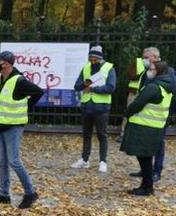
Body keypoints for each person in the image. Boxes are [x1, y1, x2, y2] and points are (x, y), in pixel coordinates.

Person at [0, 51, 43, 209]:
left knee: (14, 161)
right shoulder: (1, 77)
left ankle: (30, 193)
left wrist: (27, 107)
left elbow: (39, 92)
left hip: (13, 126)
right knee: (2, 162)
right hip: (0, 125)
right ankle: (4, 194)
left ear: (5, 63)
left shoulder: (19, 81)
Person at [121, 61, 172, 196]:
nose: (150, 71)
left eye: (153, 69)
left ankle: (147, 187)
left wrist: (127, 112)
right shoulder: (167, 87)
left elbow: (137, 103)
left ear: (159, 72)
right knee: (146, 157)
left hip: (144, 127)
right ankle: (146, 185)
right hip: (155, 127)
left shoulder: (153, 87)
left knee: (144, 157)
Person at [128, 47, 176, 183]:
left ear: (154, 57)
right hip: (145, 116)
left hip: (159, 116)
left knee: (158, 144)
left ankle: (156, 171)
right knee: (144, 144)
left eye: (146, 57)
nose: (144, 60)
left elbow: (171, 93)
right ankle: (146, 170)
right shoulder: (147, 72)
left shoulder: (169, 71)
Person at [71, 45, 116, 173]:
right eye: (91, 59)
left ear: (100, 59)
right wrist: (84, 84)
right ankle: (85, 160)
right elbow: (76, 86)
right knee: (86, 135)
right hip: (86, 106)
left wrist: (93, 89)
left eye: (95, 60)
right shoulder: (86, 68)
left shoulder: (109, 68)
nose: (93, 62)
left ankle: (103, 161)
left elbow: (111, 88)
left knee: (102, 135)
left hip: (101, 107)